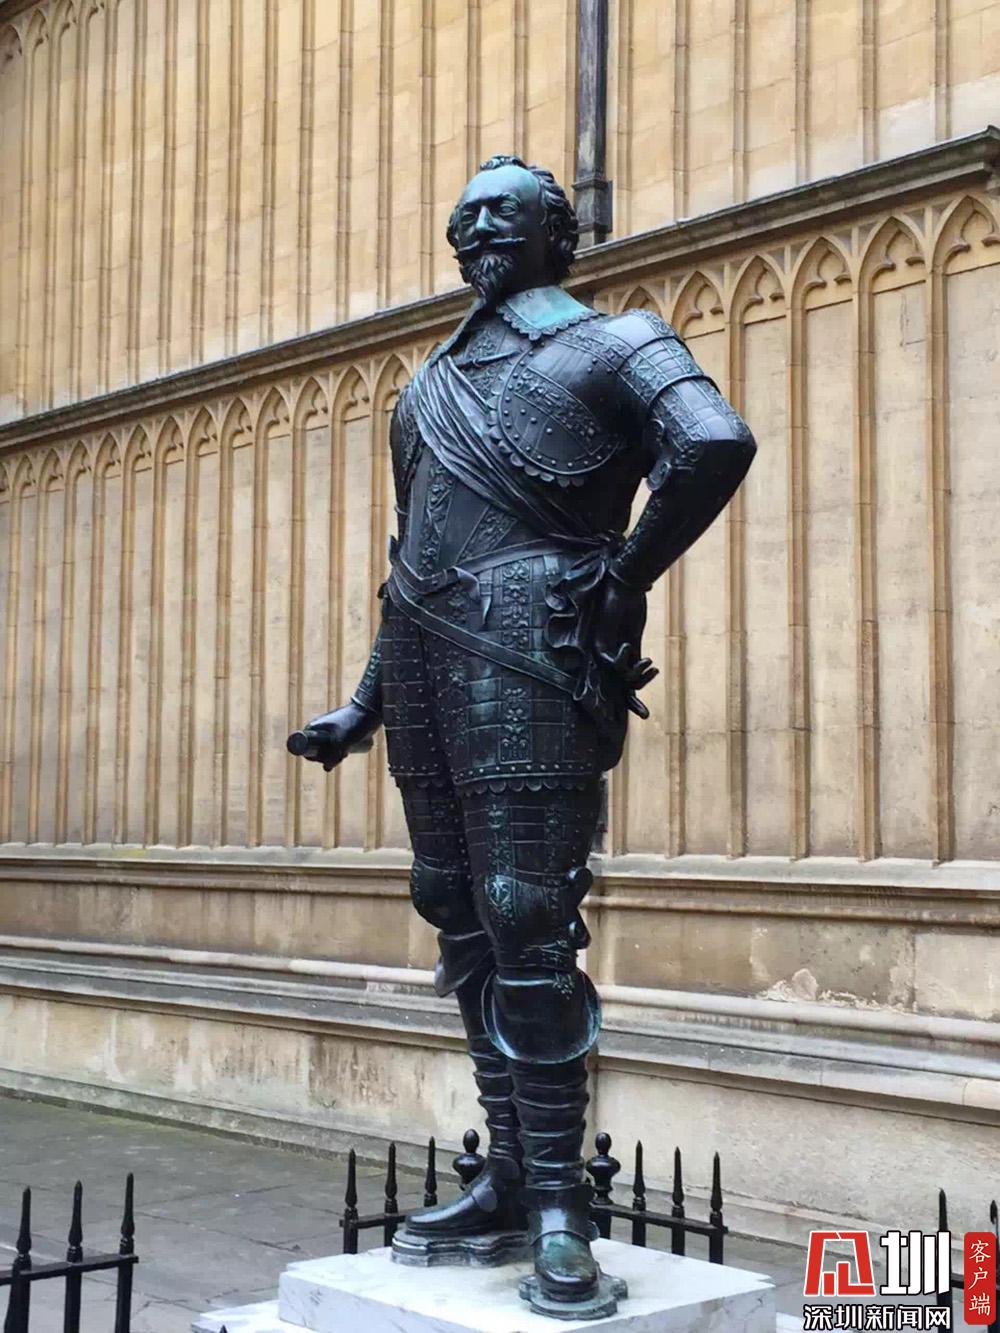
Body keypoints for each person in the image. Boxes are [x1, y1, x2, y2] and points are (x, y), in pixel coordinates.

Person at [293, 154, 755, 1318]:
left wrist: (623, 574)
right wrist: (363, 701)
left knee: (524, 911)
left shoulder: (615, 343)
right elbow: (414, 558)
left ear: (560, 231)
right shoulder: (426, 388)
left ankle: (559, 1204)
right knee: (452, 900)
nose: (476, 229)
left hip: (531, 649)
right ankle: (506, 1172)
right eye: (463, 217)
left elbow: (712, 442)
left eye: (502, 212)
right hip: (427, 654)